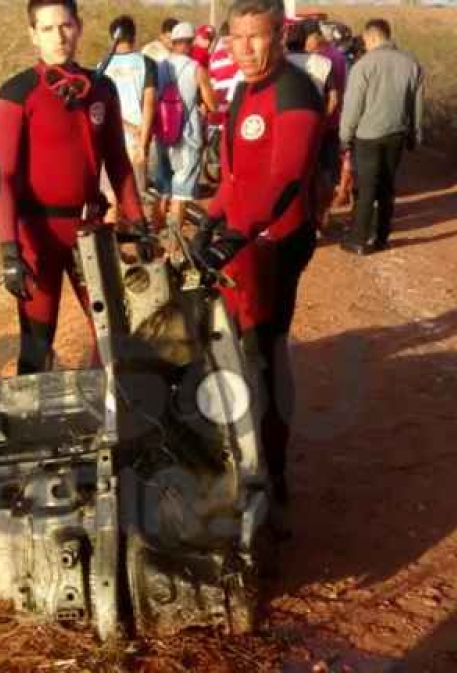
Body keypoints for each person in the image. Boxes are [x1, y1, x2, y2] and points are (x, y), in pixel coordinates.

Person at [189, 0, 323, 520]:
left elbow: (286, 176)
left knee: (263, 353)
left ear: (280, 35)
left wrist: (238, 232)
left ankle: (275, 470)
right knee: (225, 347)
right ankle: (234, 454)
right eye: (235, 38)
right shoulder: (243, 89)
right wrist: (210, 221)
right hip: (242, 236)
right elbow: (234, 176)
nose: (243, 49)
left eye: (256, 37)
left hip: (277, 239)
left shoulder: (295, 91)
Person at [0, 0, 151, 374]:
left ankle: (105, 405)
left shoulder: (102, 89)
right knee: (36, 349)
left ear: (78, 27)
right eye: (47, 29)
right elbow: (3, 178)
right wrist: (9, 250)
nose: (59, 37)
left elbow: (119, 163)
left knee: (113, 338)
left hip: (89, 231)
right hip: (37, 238)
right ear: (33, 35)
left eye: (65, 26)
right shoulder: (16, 93)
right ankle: (33, 413)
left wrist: (139, 222)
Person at [339, 19, 424, 255]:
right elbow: (417, 105)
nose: (364, 44)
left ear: (373, 37)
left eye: (366, 40)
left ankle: (358, 240)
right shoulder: (412, 64)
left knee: (366, 187)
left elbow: (353, 107)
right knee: (387, 187)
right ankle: (382, 237)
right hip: (396, 133)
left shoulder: (363, 66)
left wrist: (345, 136)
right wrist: (415, 134)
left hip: (367, 136)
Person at [154, 22, 219, 233]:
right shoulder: (197, 69)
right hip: (187, 138)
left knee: (163, 190)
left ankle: (153, 239)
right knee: (180, 195)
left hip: (162, 134)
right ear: (191, 43)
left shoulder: (158, 67)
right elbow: (212, 104)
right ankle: (174, 244)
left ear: (172, 42)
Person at [99, 15, 157, 214]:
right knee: (135, 199)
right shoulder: (146, 63)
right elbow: (149, 104)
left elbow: (102, 107)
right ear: (134, 35)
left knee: (110, 199)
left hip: (109, 138)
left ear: (112, 37)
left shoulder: (102, 66)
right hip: (136, 140)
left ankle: (111, 233)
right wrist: (143, 142)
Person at [300, 18, 348, 230]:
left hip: (318, 126)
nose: (305, 43)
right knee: (327, 172)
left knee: (313, 172)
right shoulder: (338, 56)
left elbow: (334, 96)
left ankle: (315, 216)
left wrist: (319, 121)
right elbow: (339, 94)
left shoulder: (322, 60)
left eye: (307, 38)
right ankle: (323, 216)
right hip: (330, 123)